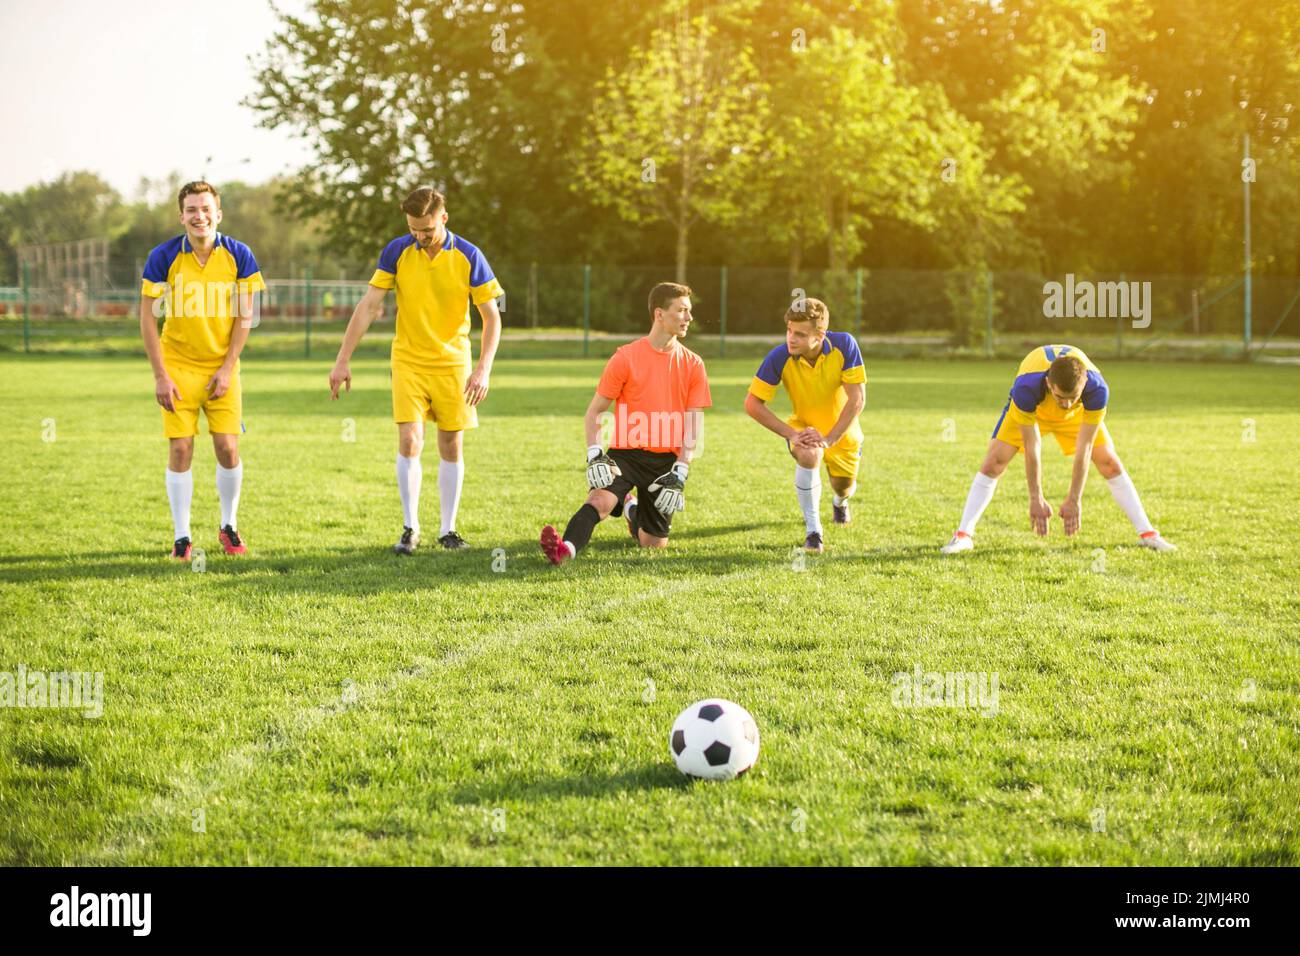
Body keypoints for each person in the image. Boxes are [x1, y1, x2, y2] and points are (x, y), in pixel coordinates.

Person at [329, 186, 503, 553]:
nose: (420, 237)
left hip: (454, 363)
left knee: (450, 443)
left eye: (426, 230)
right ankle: (410, 529)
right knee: (410, 440)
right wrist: (343, 358)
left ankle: (448, 530)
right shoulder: (397, 251)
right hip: (407, 360)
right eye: (413, 229)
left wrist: (483, 369)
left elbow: (491, 317)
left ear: (443, 218)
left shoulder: (470, 255)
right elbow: (369, 307)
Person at [941, 344, 1176, 552]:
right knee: (994, 463)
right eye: (1061, 396)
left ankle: (1148, 534)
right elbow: (1033, 447)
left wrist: (1074, 498)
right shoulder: (1026, 388)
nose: (1065, 403)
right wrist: (1036, 497)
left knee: (1109, 463)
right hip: (1036, 408)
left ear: (1083, 385)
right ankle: (963, 536)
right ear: (1049, 383)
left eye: (1072, 397)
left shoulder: (1097, 391)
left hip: (1076, 417)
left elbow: (1084, 449)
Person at [540, 282, 711, 563]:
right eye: (681, 310)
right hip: (626, 456)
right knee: (599, 502)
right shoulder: (626, 357)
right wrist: (595, 454)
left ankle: (631, 511)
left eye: (689, 311)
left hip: (665, 463)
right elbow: (595, 411)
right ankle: (564, 550)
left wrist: (681, 469)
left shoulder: (693, 364)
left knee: (652, 544)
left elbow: (693, 423)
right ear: (659, 314)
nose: (689, 318)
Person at [139, 181, 265, 560]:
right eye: (192, 210)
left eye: (206, 208)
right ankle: (182, 536)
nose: (200, 216)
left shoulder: (239, 255)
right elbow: (147, 319)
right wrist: (161, 375)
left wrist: (227, 368)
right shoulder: (163, 257)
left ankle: (228, 526)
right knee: (181, 449)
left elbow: (246, 317)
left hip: (222, 367)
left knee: (227, 447)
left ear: (218, 214)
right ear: (182, 217)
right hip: (177, 366)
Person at [744, 297, 865, 553]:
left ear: (820, 335)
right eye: (788, 330)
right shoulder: (779, 356)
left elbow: (857, 399)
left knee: (844, 487)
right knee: (809, 455)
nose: (791, 338)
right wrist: (793, 434)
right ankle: (814, 532)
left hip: (842, 432)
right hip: (803, 427)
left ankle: (840, 503)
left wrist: (830, 438)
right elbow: (752, 404)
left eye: (799, 334)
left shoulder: (844, 344)